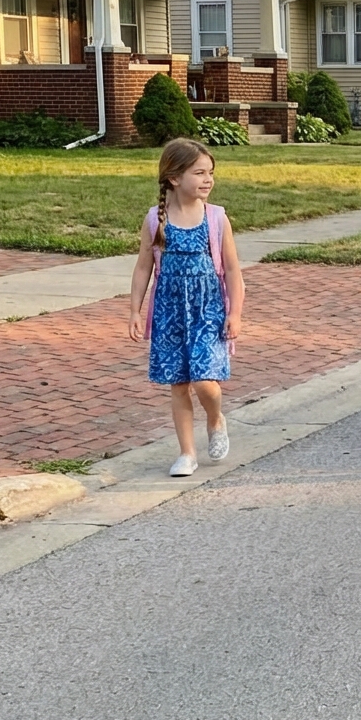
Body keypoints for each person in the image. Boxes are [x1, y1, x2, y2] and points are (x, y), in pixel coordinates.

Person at [129, 138, 246, 476]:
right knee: (179, 384)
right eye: (200, 173)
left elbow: (233, 270)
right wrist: (135, 310)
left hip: (208, 310)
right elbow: (143, 268)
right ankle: (187, 453)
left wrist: (235, 313)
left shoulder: (216, 218)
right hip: (170, 313)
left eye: (211, 173)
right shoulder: (156, 220)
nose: (208, 180)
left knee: (205, 380)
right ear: (174, 178)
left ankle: (215, 418)